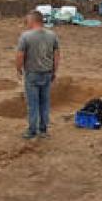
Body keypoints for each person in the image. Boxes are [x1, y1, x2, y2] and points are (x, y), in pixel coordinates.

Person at [16, 11, 60, 140]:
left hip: (32, 74)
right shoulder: (52, 35)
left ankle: (32, 131)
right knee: (44, 103)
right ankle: (43, 130)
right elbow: (57, 55)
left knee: (33, 104)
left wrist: (18, 69)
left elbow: (20, 55)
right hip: (47, 73)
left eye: (27, 21)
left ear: (33, 20)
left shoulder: (25, 36)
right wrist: (54, 71)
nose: (26, 24)